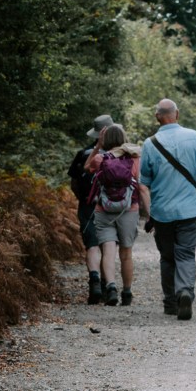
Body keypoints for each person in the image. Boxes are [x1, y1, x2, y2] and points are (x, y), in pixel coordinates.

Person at [139, 99, 196, 320]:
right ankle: (185, 291)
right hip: (189, 209)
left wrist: (149, 211)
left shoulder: (150, 143)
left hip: (162, 211)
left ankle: (171, 303)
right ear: (177, 114)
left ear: (157, 117)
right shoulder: (194, 137)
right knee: (186, 253)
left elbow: (144, 181)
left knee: (167, 257)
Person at [84, 124, 147, 306]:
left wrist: (98, 146)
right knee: (126, 253)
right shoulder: (135, 158)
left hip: (104, 209)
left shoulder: (100, 158)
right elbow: (142, 186)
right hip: (129, 209)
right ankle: (126, 292)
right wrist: (148, 214)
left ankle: (111, 288)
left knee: (108, 251)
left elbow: (86, 167)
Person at [66, 114, 113, 303]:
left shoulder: (84, 154)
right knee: (107, 246)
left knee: (92, 245)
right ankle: (107, 285)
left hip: (87, 205)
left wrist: (84, 199)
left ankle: (94, 282)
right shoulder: (120, 155)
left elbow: (74, 183)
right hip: (111, 206)